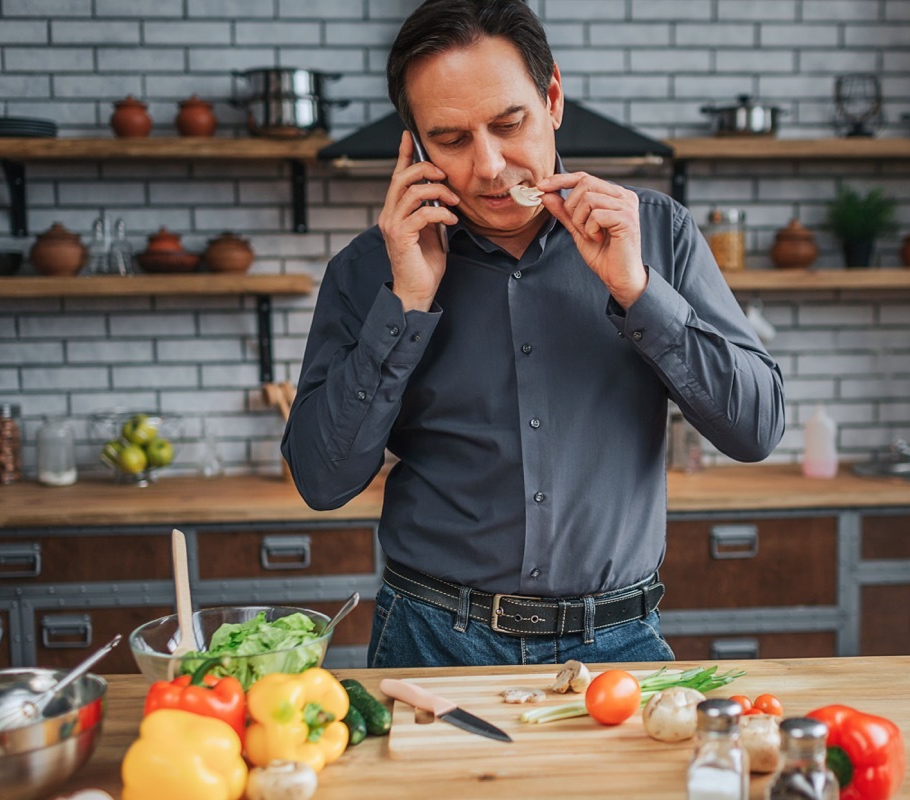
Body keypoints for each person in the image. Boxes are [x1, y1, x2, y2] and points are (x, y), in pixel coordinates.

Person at [282, 0, 785, 669]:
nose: (489, 166)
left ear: (551, 98)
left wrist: (638, 291)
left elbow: (756, 428)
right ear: (415, 145)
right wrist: (405, 302)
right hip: (430, 643)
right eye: (453, 139)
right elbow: (321, 480)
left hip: (619, 646)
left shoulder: (656, 235)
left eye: (508, 123)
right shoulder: (369, 269)